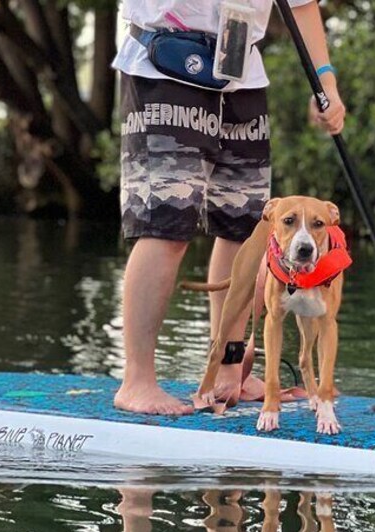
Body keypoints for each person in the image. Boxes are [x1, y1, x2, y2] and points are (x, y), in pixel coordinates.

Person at [111, 0, 346, 415]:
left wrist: (325, 80)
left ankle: (228, 370)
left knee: (244, 233)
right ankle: (137, 381)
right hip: (163, 63)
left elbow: (303, 4)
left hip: (241, 75)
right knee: (166, 226)